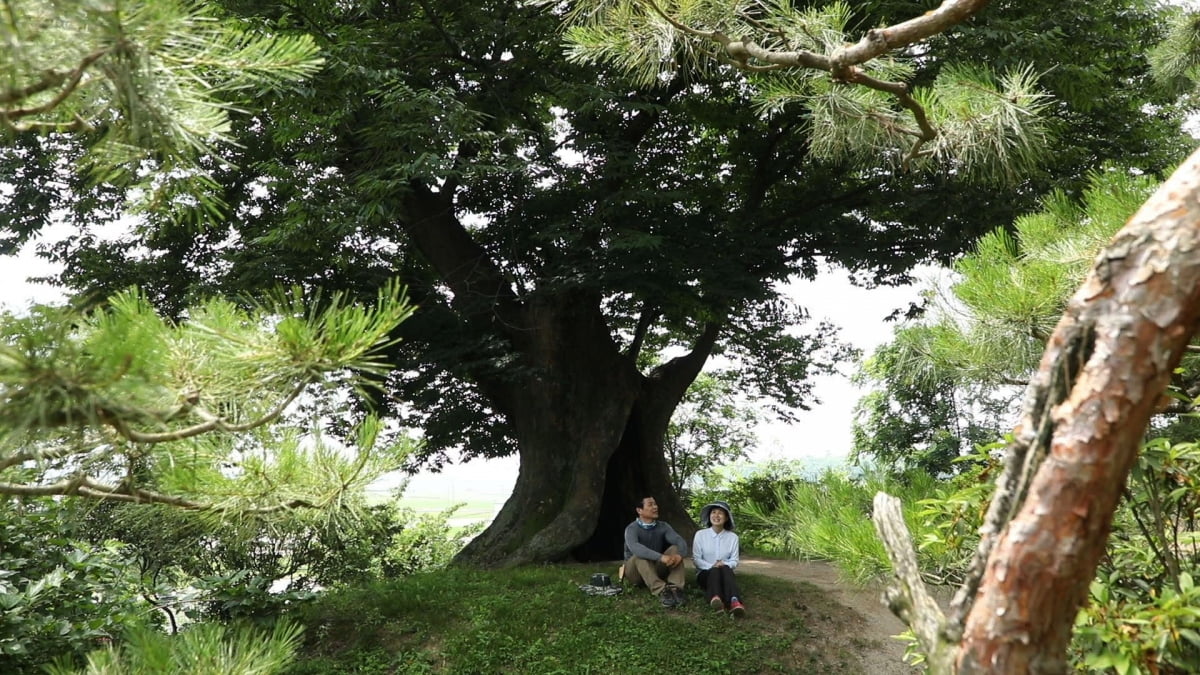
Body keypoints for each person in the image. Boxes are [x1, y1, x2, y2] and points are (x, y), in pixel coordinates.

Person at [623, 496, 689, 608]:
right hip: (635, 572)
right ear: (639, 510)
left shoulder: (663, 526)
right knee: (639, 555)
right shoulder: (631, 528)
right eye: (650, 505)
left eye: (655, 504)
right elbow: (636, 548)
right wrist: (661, 557)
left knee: (675, 548)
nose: (655, 507)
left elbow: (679, 540)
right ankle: (661, 590)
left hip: (655, 568)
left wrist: (679, 555)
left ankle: (675, 588)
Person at [692, 500, 745, 616]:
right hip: (705, 574)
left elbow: (734, 560)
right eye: (713, 512)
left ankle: (735, 602)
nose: (716, 516)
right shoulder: (700, 535)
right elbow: (696, 559)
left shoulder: (733, 537)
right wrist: (712, 566)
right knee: (715, 570)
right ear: (709, 516)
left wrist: (724, 564)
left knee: (725, 568)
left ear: (726, 518)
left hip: (725, 574)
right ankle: (716, 599)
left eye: (720, 513)